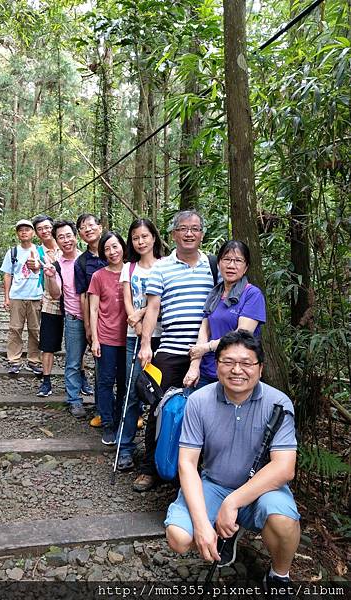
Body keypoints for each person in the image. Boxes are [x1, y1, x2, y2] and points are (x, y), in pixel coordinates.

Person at [165, 330, 300, 592]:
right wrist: (203, 524)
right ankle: (221, 529)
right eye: (228, 362)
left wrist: (233, 502)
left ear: (260, 368)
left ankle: (279, 574)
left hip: (260, 489)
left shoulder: (278, 403)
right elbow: (187, 464)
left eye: (247, 363)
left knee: (283, 522)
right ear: (216, 366)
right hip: (214, 483)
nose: (237, 370)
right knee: (179, 537)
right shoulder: (198, 401)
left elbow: (284, 468)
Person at [135, 210, 216, 492]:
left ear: (202, 233)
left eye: (195, 228)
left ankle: (196, 472)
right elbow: (153, 308)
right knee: (158, 407)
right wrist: (146, 344)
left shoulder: (214, 266)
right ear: (173, 234)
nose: (189, 233)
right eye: (183, 228)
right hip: (169, 350)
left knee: (205, 412)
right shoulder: (161, 268)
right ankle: (150, 468)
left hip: (206, 353)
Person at [184, 240, 266, 390]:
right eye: (226, 259)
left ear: (246, 267)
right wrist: (194, 367)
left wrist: (207, 347)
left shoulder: (252, 294)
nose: (231, 265)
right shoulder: (215, 293)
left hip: (236, 371)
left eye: (238, 261)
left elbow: (242, 334)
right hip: (208, 369)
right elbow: (204, 330)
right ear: (219, 263)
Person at [116, 218, 163, 471]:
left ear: (154, 238)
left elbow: (163, 300)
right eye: (135, 238)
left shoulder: (166, 266)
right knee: (131, 392)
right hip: (133, 337)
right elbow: (126, 301)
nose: (140, 241)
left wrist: (141, 314)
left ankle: (157, 452)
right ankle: (125, 447)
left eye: (145, 236)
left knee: (158, 394)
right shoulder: (129, 268)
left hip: (162, 336)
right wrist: (135, 324)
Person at [88, 231, 127, 446]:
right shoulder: (98, 276)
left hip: (129, 339)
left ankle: (122, 420)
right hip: (106, 338)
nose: (112, 252)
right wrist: (95, 339)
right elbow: (93, 309)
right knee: (105, 381)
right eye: (107, 248)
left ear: (122, 246)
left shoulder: (132, 271)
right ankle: (107, 423)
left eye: (115, 246)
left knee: (124, 382)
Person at [52, 219, 88, 418]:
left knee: (103, 363)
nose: (65, 240)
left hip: (97, 319)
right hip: (73, 318)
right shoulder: (57, 265)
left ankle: (102, 402)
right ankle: (74, 399)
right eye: (60, 237)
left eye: (68, 235)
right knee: (73, 361)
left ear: (75, 236)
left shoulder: (88, 259)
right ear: (56, 241)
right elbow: (56, 293)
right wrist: (49, 275)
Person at [74, 213, 107, 426]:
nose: (88, 229)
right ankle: (102, 410)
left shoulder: (115, 250)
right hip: (98, 321)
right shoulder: (81, 262)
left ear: (100, 227)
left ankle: (132, 410)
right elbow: (83, 296)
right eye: (83, 227)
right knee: (101, 367)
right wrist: (88, 326)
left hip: (122, 319)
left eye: (91, 225)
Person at [0, 219, 43, 376]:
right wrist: (6, 297)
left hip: (36, 296)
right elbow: (7, 274)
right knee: (15, 329)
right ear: (17, 234)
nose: (24, 232)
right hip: (17, 296)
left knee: (35, 330)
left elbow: (46, 272)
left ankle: (34, 360)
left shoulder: (40, 250)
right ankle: (14, 360)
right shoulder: (12, 252)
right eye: (21, 230)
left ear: (33, 233)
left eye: (27, 229)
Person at [30, 215, 62, 397]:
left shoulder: (66, 244)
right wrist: (35, 266)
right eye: (40, 228)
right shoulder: (37, 252)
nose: (45, 231)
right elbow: (34, 265)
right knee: (48, 343)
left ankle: (81, 378)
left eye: (47, 227)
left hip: (72, 301)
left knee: (77, 343)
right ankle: (46, 381)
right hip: (50, 301)